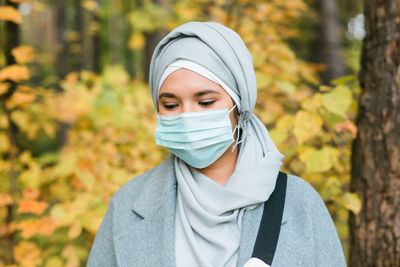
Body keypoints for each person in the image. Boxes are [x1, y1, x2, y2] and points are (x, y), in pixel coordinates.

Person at [87, 21, 346, 267]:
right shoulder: (127, 206)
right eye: (170, 105)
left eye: (206, 102)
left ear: (239, 105)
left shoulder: (300, 203)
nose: (187, 116)